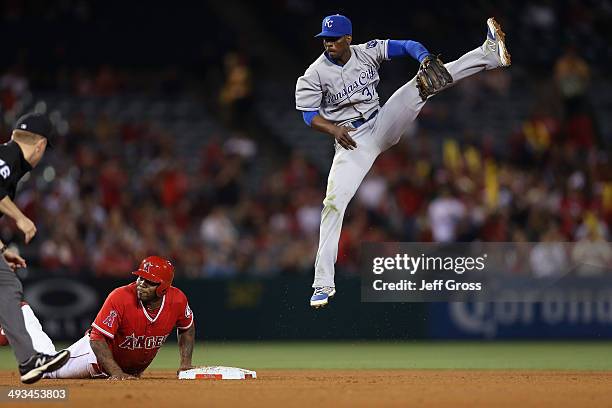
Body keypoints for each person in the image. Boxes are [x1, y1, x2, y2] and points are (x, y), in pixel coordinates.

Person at [295, 15, 511, 307]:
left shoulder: (366, 51)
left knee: (425, 81)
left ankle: (488, 54)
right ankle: (322, 284)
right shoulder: (315, 73)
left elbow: (407, 44)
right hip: (352, 142)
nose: (328, 43)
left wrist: (423, 57)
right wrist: (333, 128)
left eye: (333, 38)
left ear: (348, 38)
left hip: (383, 122)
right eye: (325, 38)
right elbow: (308, 115)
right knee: (332, 204)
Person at [0, 256, 195, 379]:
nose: (141, 283)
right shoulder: (121, 297)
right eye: (140, 277)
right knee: (49, 369)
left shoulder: (177, 300)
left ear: (163, 288)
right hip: (96, 356)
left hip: (125, 367)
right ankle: (20, 314)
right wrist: (116, 372)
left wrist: (185, 363)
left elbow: (187, 327)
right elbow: (97, 339)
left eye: (149, 281)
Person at [0, 112, 70, 383]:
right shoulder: (8, 157)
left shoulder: (9, 159)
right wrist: (20, 217)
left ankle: (29, 360)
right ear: (40, 145)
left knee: (7, 286)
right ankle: (29, 360)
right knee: (7, 287)